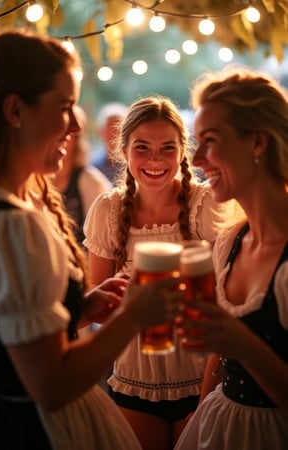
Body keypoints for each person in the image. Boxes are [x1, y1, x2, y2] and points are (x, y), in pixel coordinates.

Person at [0, 30, 185, 450]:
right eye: (64, 108)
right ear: (15, 110)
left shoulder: (9, 211)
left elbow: (15, 344)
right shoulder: (11, 224)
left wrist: (79, 309)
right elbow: (51, 384)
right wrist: (134, 316)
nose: (77, 126)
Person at [83, 95, 237, 450]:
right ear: (123, 150)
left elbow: (229, 299)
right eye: (142, 147)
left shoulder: (206, 205)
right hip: (134, 379)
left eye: (167, 147)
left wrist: (205, 398)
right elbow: (97, 311)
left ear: (184, 151)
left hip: (203, 380)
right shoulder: (108, 210)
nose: (155, 159)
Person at [174, 67, 288, 450]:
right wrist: (203, 404)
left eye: (210, 141)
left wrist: (247, 346)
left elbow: (236, 342)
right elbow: (220, 352)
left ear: (257, 143)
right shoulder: (229, 241)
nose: (197, 158)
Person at [53, 105, 111, 244]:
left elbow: (102, 240)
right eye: (57, 131)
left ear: (77, 140)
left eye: (68, 134)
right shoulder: (35, 181)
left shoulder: (91, 182)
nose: (61, 139)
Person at [92, 102, 128, 185]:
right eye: (111, 128)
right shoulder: (91, 165)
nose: (115, 134)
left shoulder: (134, 164)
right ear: (100, 132)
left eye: (119, 128)